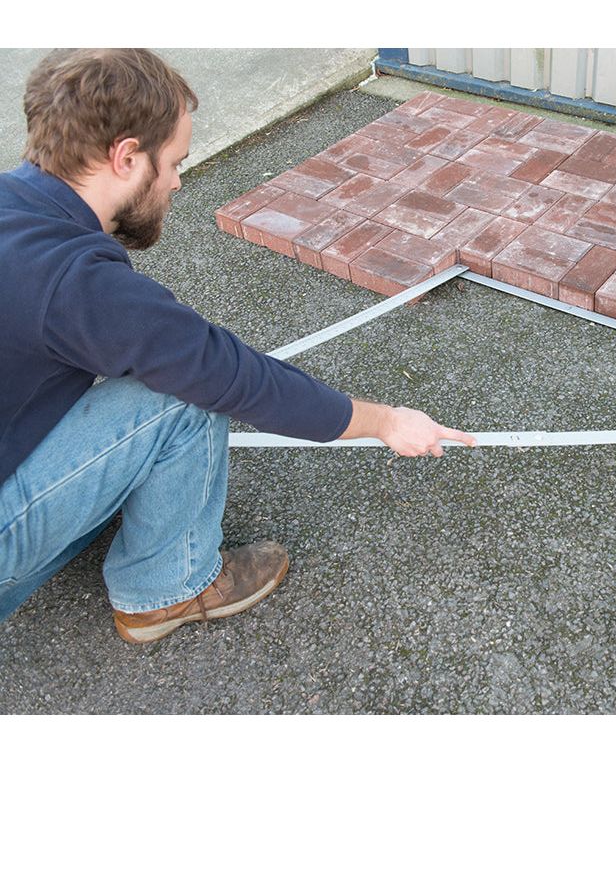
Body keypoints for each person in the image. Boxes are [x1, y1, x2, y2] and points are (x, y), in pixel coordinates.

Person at [0, 48, 476, 644]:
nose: (177, 181)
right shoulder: (75, 281)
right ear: (126, 157)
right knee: (182, 397)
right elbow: (228, 375)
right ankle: (167, 589)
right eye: (174, 163)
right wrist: (385, 421)